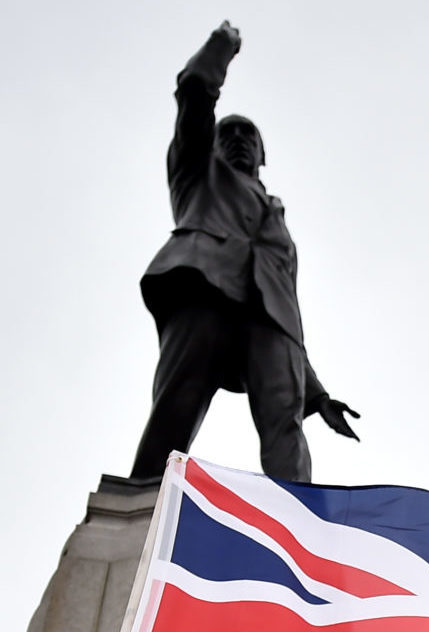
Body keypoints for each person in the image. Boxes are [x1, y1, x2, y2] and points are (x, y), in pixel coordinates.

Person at [127, 21, 363, 484]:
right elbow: (194, 89)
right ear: (212, 143)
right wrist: (222, 46)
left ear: (263, 155)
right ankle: (137, 502)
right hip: (204, 288)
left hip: (268, 323)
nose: (237, 139)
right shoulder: (196, 172)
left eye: (248, 136)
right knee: (177, 405)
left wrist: (315, 393)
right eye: (228, 133)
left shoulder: (279, 222)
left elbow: (288, 309)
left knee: (285, 423)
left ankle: (297, 517)